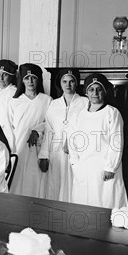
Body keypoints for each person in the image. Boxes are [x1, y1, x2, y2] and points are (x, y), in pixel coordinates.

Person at [67, 73, 128, 209]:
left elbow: (116, 142)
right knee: (82, 207)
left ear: (104, 91)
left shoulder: (112, 113)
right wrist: (75, 163)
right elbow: (72, 142)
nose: (95, 93)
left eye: (99, 89)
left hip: (105, 170)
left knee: (106, 206)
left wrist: (110, 167)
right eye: (91, 89)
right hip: (83, 169)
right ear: (86, 93)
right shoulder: (78, 115)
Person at [38, 68, 88, 202]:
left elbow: (86, 128)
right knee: (55, 185)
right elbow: (49, 130)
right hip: (56, 152)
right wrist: (44, 155)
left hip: (76, 152)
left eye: (72, 81)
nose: (68, 85)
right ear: (60, 83)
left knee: (74, 185)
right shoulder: (54, 104)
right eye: (64, 81)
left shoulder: (85, 102)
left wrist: (72, 141)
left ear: (76, 83)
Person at [7, 63, 52, 197]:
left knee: (35, 181)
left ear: (39, 80)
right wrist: (11, 149)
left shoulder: (47, 100)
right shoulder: (14, 102)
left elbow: (50, 124)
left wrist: (37, 130)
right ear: (22, 80)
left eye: (34, 78)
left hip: (38, 148)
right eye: (27, 78)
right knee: (17, 182)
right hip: (18, 147)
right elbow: (9, 127)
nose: (30, 81)